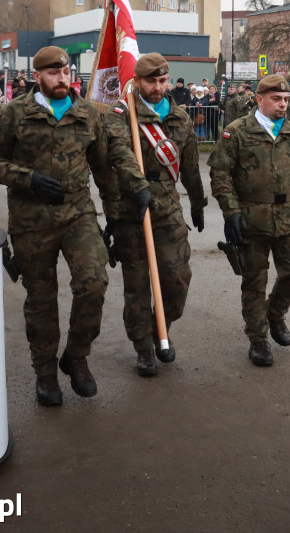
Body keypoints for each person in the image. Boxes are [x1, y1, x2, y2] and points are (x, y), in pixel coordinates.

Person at [0, 46, 148, 406]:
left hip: (77, 213)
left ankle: (77, 356)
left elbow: (102, 166)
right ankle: (45, 373)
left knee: (94, 281)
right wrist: (26, 178)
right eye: (53, 73)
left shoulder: (87, 113)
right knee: (41, 300)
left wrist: (114, 214)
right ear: (37, 76)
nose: (62, 78)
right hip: (30, 219)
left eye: (66, 71)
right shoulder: (15, 113)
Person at [208, 74, 290, 367]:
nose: (283, 105)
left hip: (287, 218)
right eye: (276, 99)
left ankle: (274, 315)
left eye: (286, 99)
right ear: (259, 99)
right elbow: (220, 174)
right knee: (254, 281)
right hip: (251, 219)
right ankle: (258, 339)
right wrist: (231, 212)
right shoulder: (237, 131)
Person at [102, 53, 207, 376]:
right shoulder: (120, 115)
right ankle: (144, 347)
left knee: (177, 279)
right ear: (137, 81)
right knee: (138, 286)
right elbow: (119, 154)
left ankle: (161, 328)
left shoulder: (179, 118)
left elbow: (189, 166)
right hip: (131, 210)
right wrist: (137, 187)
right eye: (151, 81)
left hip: (168, 209)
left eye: (163, 81)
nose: (158, 87)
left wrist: (197, 203)